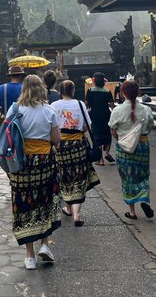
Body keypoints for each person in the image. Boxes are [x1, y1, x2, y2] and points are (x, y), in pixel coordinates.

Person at [7, 75, 61, 270]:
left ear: (24, 89)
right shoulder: (49, 110)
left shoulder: (15, 110)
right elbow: (56, 140)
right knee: (44, 200)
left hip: (21, 164)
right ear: (42, 89)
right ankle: (45, 244)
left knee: (24, 205)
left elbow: (7, 138)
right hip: (44, 162)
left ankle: (29, 256)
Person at [50, 80, 100, 226]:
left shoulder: (54, 106)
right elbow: (86, 126)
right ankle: (77, 215)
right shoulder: (80, 104)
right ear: (73, 91)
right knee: (78, 176)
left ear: (60, 91)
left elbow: (51, 127)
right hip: (78, 145)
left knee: (64, 175)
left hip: (61, 145)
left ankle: (67, 207)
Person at [109, 80, 155, 220]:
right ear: (138, 93)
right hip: (142, 145)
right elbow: (150, 126)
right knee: (142, 173)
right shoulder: (146, 110)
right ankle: (144, 199)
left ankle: (132, 211)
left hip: (124, 148)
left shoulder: (117, 110)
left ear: (123, 93)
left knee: (127, 176)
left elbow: (113, 130)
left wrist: (121, 139)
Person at [85, 72, 115, 165]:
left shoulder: (90, 90)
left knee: (97, 137)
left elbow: (86, 104)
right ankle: (107, 152)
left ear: (94, 81)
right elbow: (112, 105)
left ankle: (100, 159)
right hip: (106, 115)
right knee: (107, 134)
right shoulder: (107, 91)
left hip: (94, 115)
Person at [0, 66, 25, 130]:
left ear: (10, 76)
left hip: (6, 121)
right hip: (21, 122)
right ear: (21, 76)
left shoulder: (1, 88)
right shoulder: (25, 88)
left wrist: (5, 111)